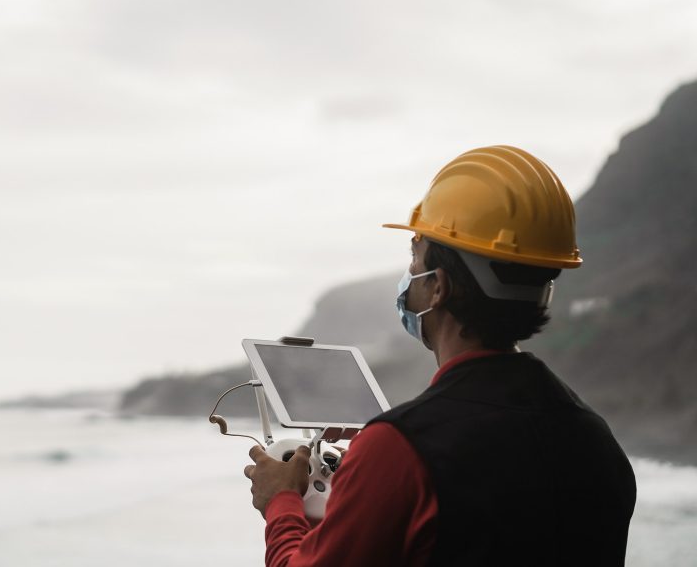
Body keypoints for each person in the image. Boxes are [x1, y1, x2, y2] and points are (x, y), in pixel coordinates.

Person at [243, 145, 636, 566]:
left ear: (438, 287)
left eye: (415, 258)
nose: (408, 277)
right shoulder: (598, 442)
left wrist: (281, 502)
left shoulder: (400, 449)